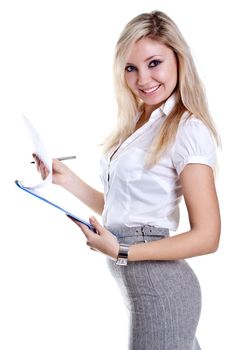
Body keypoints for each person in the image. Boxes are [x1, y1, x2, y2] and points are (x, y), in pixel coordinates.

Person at [34, 10, 221, 350]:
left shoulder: (187, 129)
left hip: (161, 287)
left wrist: (121, 250)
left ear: (179, 59)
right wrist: (67, 180)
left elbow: (208, 237)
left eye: (154, 63)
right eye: (131, 68)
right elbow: (128, 207)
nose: (143, 79)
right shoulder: (137, 123)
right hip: (143, 287)